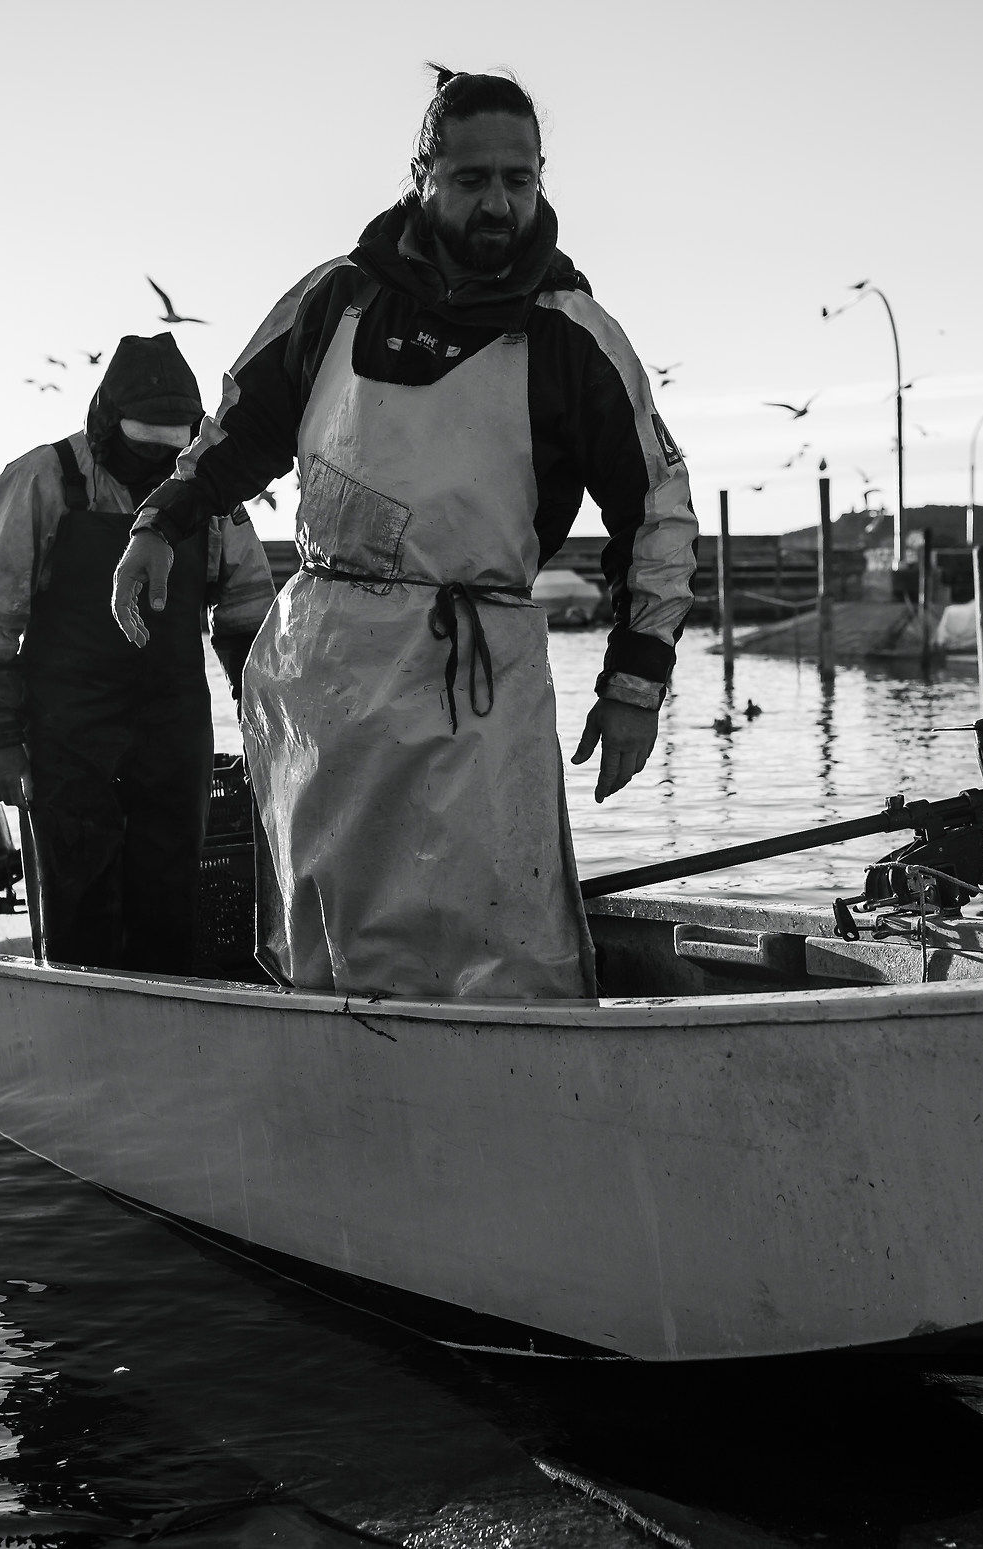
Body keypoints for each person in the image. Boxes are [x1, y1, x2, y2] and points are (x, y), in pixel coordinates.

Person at [110, 66, 697, 1001]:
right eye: (473, 180)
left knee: (501, 944)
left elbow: (655, 510)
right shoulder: (336, 300)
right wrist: (159, 523)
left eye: (521, 178)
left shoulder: (574, 333)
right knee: (327, 940)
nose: (499, 201)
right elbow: (237, 433)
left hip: (481, 678)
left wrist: (635, 682)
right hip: (326, 676)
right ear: (423, 176)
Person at [0, 333, 273, 972]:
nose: (157, 464)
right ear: (106, 424)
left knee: (170, 900)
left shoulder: (208, 496)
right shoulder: (42, 481)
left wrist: (268, 727)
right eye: (140, 446)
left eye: (171, 449)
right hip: (68, 733)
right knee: (79, 903)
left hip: (174, 725)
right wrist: (1, 741)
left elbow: (246, 617)